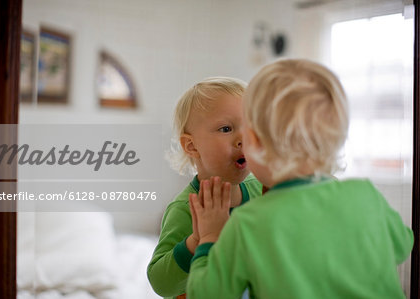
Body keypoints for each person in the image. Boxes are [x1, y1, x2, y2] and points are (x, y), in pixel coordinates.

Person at [187, 59, 414, 298]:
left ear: (254, 141)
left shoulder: (248, 223)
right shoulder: (366, 196)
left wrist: (210, 236)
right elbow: (402, 245)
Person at [147, 77, 263, 299]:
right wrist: (195, 242)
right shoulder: (186, 208)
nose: (243, 139)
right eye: (226, 128)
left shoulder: (263, 189)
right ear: (192, 146)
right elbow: (161, 284)